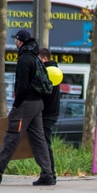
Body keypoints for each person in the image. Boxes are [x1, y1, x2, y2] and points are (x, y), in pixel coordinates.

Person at [0, 29, 54, 186]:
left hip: (25, 104)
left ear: (20, 41)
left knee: (11, 137)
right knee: (39, 140)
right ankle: (48, 174)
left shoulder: (24, 59)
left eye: (16, 40)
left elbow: (22, 86)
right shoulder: (35, 58)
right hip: (37, 104)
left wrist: (16, 105)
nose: (15, 42)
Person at [39, 48, 60, 182]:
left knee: (45, 144)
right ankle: (49, 173)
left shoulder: (48, 72)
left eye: (39, 59)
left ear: (45, 59)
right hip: (50, 112)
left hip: (47, 113)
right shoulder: (54, 70)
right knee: (44, 143)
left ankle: (50, 173)